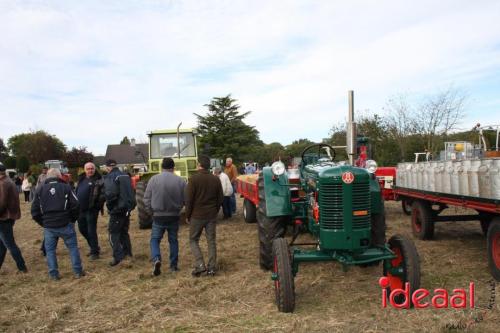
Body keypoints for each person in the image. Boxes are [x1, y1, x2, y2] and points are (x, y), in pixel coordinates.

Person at [31, 168, 83, 280]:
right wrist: (72, 219)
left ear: (47, 177)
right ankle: (78, 271)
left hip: (50, 226)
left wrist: (43, 223)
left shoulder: (40, 189)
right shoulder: (66, 187)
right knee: (73, 248)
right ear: (59, 176)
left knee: (50, 251)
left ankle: (54, 274)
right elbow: (76, 205)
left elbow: (34, 212)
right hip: (64, 224)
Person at [143, 158, 185, 276]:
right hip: (174, 215)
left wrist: (150, 212)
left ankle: (156, 258)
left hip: (158, 215)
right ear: (173, 167)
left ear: (162, 167)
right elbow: (185, 199)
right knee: (173, 241)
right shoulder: (181, 181)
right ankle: (173, 266)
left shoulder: (153, 179)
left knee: (155, 240)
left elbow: (146, 198)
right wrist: (179, 209)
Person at [185, 155, 224, 277]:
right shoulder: (215, 179)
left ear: (199, 165)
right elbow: (220, 198)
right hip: (211, 215)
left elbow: (189, 200)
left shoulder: (193, 179)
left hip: (197, 215)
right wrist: (215, 211)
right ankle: (212, 268)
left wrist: (188, 215)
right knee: (211, 241)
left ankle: (200, 265)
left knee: (193, 240)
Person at [103, 159, 136, 267]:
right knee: (124, 232)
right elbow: (132, 191)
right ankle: (128, 253)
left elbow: (111, 194)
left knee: (113, 234)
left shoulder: (110, 177)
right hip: (127, 209)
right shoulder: (125, 175)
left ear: (107, 167)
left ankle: (118, 257)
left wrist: (110, 207)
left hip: (117, 210)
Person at [0, 163, 27, 274]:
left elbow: (1, 204)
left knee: (10, 244)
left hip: (4, 218)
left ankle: (22, 267)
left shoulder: (3, 183)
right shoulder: (8, 181)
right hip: (9, 217)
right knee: (2, 245)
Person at [75, 162, 104, 260]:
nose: (90, 170)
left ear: (94, 169)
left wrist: (97, 206)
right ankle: (94, 246)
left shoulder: (99, 180)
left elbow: (102, 195)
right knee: (82, 229)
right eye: (88, 169)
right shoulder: (81, 179)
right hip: (80, 209)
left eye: (92, 168)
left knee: (91, 230)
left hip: (91, 210)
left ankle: (95, 252)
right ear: (85, 170)